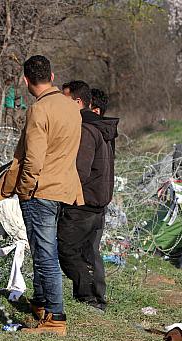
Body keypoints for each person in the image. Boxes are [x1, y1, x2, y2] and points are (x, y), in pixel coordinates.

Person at [0, 55, 84, 335]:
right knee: (46, 249)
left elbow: (32, 158)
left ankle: (55, 318)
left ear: (25, 80)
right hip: (65, 188)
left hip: (40, 189)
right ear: (52, 76)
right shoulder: (72, 107)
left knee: (45, 254)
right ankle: (43, 303)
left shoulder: (39, 109)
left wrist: (26, 188)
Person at [59, 81, 118, 312]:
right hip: (99, 200)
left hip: (83, 202)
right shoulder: (103, 129)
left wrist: (63, 193)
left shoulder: (85, 130)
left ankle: (88, 296)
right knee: (89, 252)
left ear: (79, 103)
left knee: (66, 249)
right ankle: (96, 299)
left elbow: (80, 171)